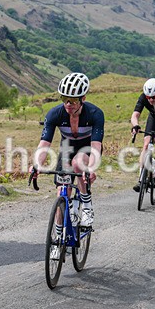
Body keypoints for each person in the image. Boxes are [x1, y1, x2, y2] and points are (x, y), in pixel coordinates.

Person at [30, 72, 104, 228]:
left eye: (73, 100)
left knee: (78, 163)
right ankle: (58, 234)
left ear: (83, 99)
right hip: (67, 149)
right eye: (64, 99)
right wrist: (37, 165)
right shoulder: (54, 114)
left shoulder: (95, 114)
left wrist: (91, 168)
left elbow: (96, 146)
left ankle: (87, 205)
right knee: (62, 192)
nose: (68, 104)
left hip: (88, 149)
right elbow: (44, 144)